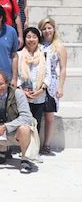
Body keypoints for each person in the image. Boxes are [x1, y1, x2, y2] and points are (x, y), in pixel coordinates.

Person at [0, 70, 36, 173]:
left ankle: (25, 159)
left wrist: (5, 127)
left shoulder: (18, 94)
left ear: (7, 83)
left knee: (24, 129)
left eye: (1, 84)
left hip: (16, 132)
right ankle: (3, 150)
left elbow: (26, 117)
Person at [38, 17, 67, 154]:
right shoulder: (39, 45)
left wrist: (60, 87)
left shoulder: (59, 46)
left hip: (52, 83)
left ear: (54, 29)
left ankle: (47, 144)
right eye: (44, 28)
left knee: (49, 115)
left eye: (49, 28)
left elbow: (63, 68)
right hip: (39, 81)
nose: (47, 31)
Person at [18, 27, 51, 136]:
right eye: (28, 37)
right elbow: (16, 76)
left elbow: (48, 75)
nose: (31, 39)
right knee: (23, 124)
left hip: (39, 96)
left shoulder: (44, 54)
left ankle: (35, 145)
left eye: (34, 37)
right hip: (23, 96)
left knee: (37, 123)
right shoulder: (19, 55)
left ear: (38, 39)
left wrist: (40, 90)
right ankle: (24, 144)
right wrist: (23, 91)